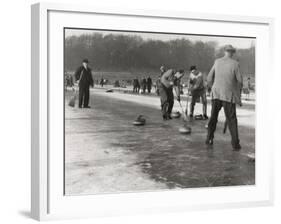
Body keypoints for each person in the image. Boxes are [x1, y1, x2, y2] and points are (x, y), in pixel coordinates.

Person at [206, 45, 243, 151]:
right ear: (232, 53)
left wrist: (212, 88)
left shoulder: (217, 61)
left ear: (224, 52)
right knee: (232, 120)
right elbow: (240, 81)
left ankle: (209, 138)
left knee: (213, 118)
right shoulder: (235, 64)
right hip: (228, 96)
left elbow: (209, 77)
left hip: (216, 94)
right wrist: (238, 96)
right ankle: (235, 144)